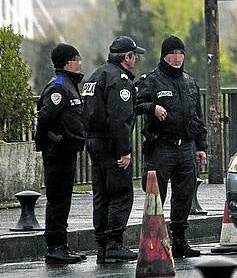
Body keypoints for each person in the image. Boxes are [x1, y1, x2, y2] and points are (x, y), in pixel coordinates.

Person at [135, 35, 207, 258]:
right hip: (161, 147)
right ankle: (154, 241)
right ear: (163, 56)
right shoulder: (151, 80)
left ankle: (180, 240)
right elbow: (132, 104)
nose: (177, 58)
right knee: (156, 196)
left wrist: (200, 146)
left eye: (180, 53)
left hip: (185, 146)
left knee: (184, 195)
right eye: (172, 54)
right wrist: (152, 107)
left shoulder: (189, 82)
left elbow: (197, 116)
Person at [83, 36, 145, 263]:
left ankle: (102, 244)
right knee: (120, 194)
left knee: (101, 195)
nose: (136, 59)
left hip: (94, 142)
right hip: (111, 145)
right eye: (134, 55)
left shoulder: (96, 75)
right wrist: (124, 151)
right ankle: (113, 243)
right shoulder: (119, 80)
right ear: (126, 57)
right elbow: (119, 119)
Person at [33, 44, 87, 264]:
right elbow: (45, 117)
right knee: (57, 200)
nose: (80, 63)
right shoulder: (59, 86)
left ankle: (61, 245)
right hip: (58, 151)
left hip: (67, 150)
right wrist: (44, 141)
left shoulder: (70, 85)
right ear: (68, 62)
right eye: (77, 59)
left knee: (64, 199)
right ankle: (55, 247)